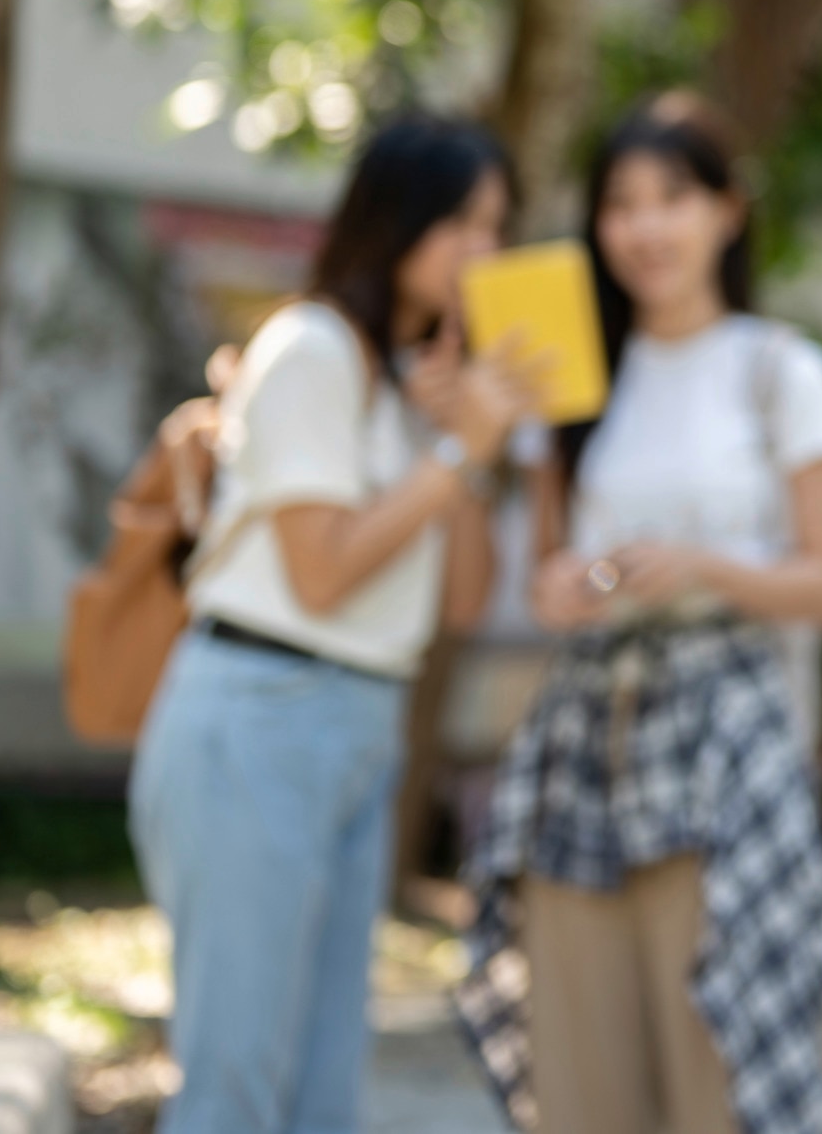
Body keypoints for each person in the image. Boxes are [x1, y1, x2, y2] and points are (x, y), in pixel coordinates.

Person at [456, 93, 822, 1134]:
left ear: (726, 211)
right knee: (582, 1081)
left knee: (719, 1075)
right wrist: (581, 586)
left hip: (726, 749)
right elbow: (548, 584)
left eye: (670, 198)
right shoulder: (572, 381)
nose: (646, 227)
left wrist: (700, 568)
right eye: (620, 204)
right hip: (583, 748)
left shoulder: (782, 369)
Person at [131, 114, 534, 1134]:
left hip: (355, 721)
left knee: (320, 1089)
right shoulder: (308, 347)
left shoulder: (408, 385)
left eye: (497, 228)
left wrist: (467, 449)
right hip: (261, 708)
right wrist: (457, 452)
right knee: (236, 1082)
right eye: (463, 226)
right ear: (395, 222)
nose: (483, 254)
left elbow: (461, 600)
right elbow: (320, 574)